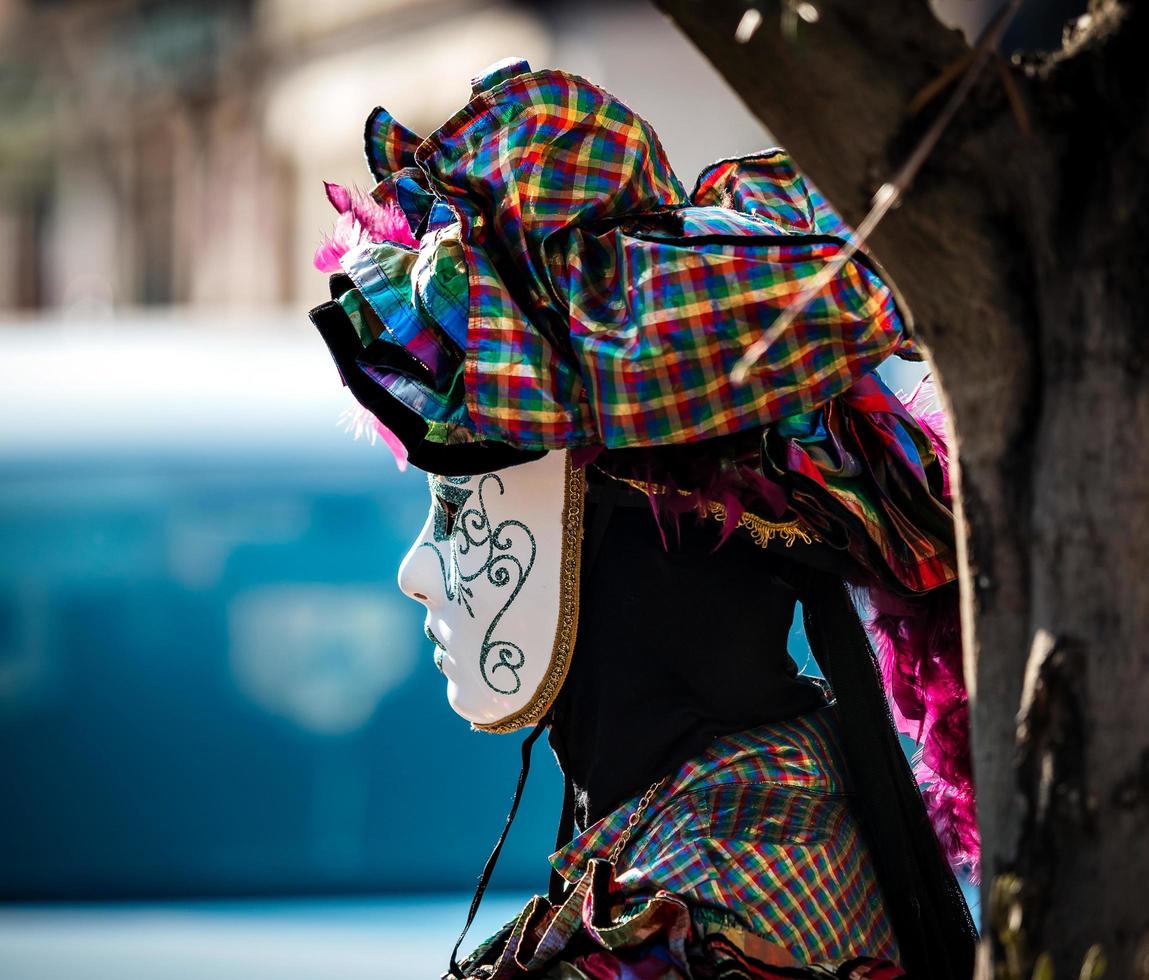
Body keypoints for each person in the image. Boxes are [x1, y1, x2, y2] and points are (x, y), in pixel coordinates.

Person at [309, 58, 978, 978]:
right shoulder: (770, 811)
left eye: (461, 505)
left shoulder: (691, 918)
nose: (414, 569)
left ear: (628, 538)